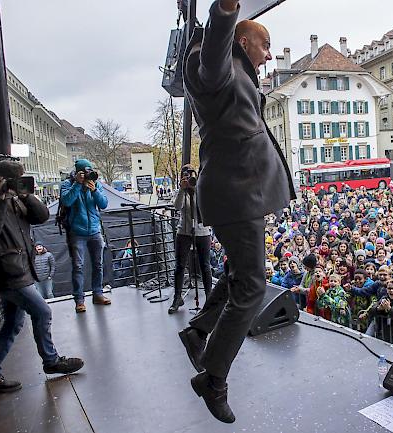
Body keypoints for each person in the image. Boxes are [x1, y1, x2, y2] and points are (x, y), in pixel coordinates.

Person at [178, 0, 295, 423]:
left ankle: (198, 331)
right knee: (252, 288)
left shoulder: (236, 72)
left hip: (243, 190)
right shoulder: (214, 65)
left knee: (240, 275)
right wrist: (225, 10)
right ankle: (213, 378)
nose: (268, 56)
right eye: (266, 47)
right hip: (237, 190)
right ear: (243, 40)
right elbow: (214, 46)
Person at [0, 160, 83, 395]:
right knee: (43, 311)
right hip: (8, 273)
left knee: (13, 325)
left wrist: (25, 195)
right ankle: (51, 360)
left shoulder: (15, 200)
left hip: (20, 269)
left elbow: (41, 216)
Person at [60, 159, 109, 313]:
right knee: (78, 266)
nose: (88, 175)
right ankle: (79, 300)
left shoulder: (95, 183)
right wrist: (77, 184)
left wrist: (94, 191)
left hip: (94, 230)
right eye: (84, 172)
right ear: (78, 172)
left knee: (98, 264)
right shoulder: (67, 184)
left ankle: (98, 294)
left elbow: (104, 204)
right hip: (77, 231)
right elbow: (67, 201)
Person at [168, 164, 213, 314]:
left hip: (202, 231)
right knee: (180, 266)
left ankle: (209, 297)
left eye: (192, 176)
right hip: (184, 231)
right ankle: (177, 297)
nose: (189, 179)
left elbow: (208, 206)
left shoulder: (202, 190)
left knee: (205, 265)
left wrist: (196, 190)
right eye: (186, 176)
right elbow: (176, 207)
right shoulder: (180, 191)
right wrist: (182, 189)